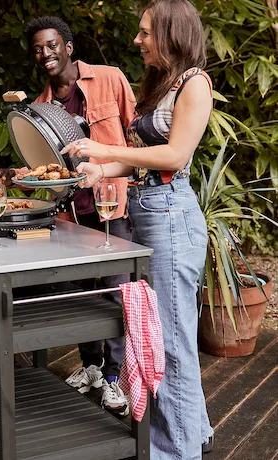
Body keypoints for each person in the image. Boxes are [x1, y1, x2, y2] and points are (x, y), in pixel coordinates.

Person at [61, 0, 214, 458]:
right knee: (166, 332)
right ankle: (196, 433)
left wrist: (100, 149)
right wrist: (101, 170)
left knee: (170, 342)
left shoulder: (196, 84)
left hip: (172, 217)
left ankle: (174, 451)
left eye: (146, 32)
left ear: (170, 33)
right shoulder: (161, 84)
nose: (138, 40)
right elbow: (143, 163)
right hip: (152, 211)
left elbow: (174, 157)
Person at [0, 16, 136, 416]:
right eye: (38, 49)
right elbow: (42, 169)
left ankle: (115, 378)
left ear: (68, 47)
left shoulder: (109, 79)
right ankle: (91, 366)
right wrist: (11, 175)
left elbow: (134, 134)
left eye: (51, 45)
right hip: (69, 215)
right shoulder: (37, 108)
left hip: (111, 204)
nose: (45, 54)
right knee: (78, 294)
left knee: (116, 293)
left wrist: (135, 181)